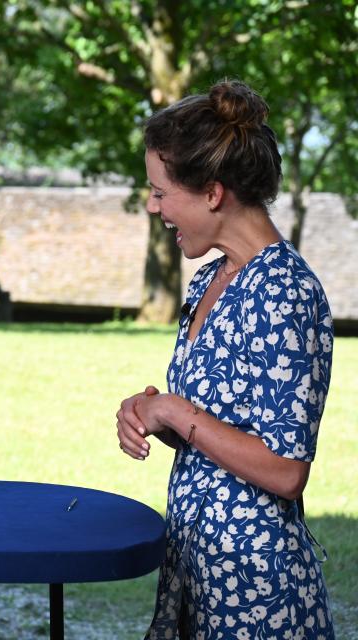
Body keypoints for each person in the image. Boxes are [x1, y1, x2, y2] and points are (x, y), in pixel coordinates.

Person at [115, 81, 335, 639]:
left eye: (161, 191)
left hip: (255, 591)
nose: (152, 205)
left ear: (213, 193)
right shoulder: (212, 278)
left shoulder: (287, 291)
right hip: (196, 573)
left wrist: (177, 412)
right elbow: (219, 425)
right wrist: (151, 412)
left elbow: (285, 471)